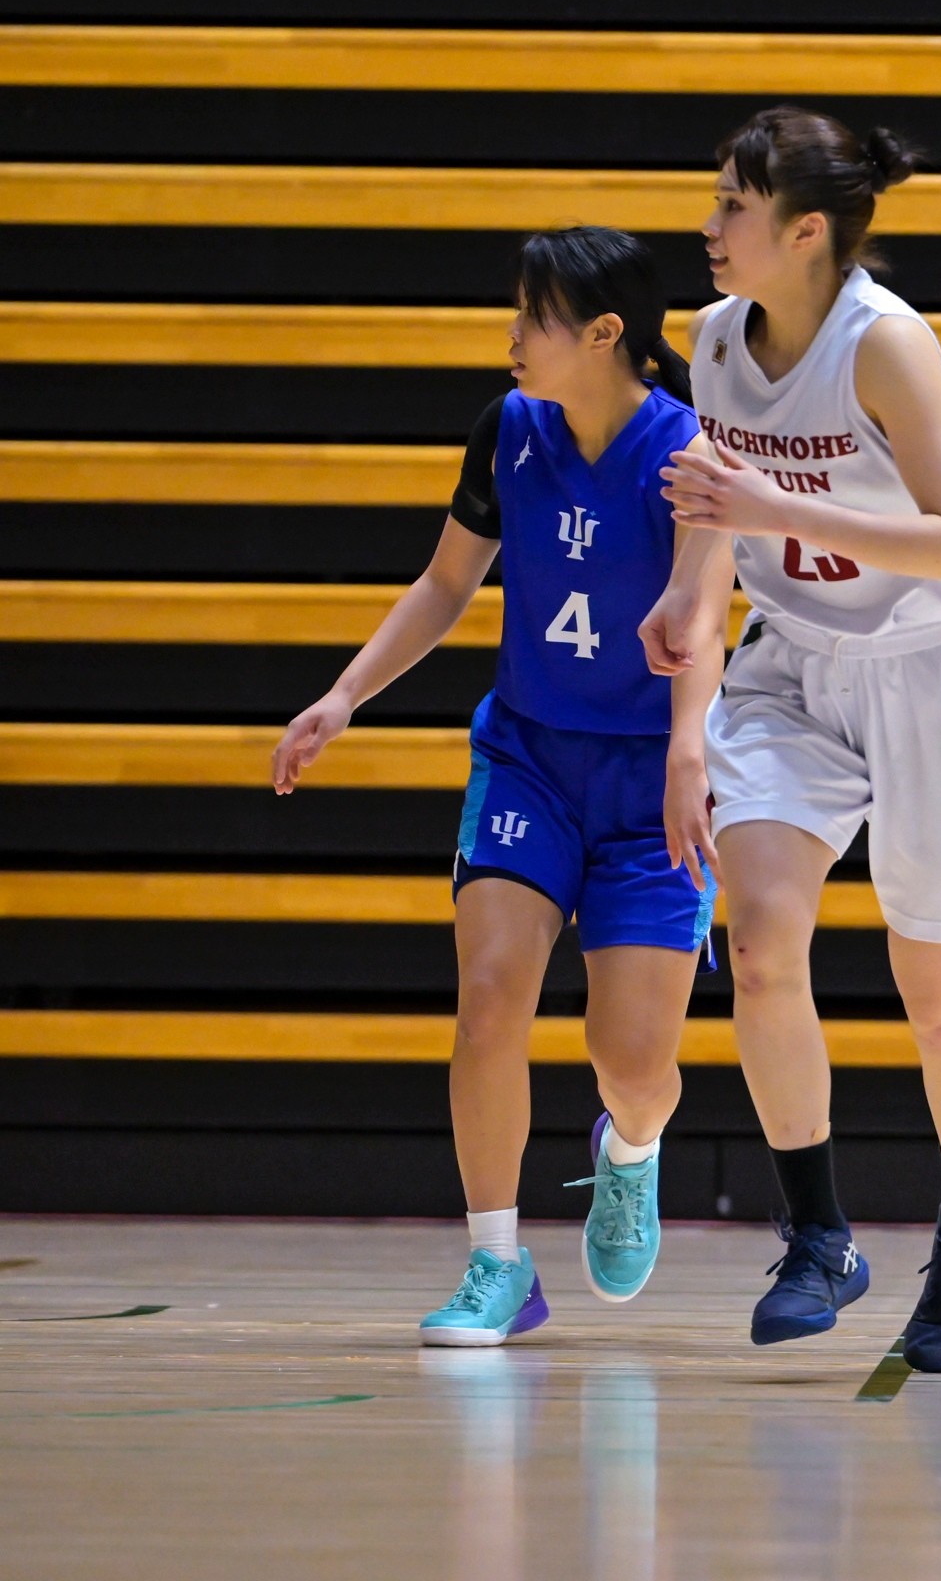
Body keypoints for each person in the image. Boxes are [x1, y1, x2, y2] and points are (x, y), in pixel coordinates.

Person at [638, 107, 941, 1374]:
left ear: (806, 230)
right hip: (794, 668)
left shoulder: (888, 344)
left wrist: (777, 503)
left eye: (733, 204)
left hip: (930, 670)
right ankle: (819, 1235)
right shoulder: (715, 338)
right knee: (761, 946)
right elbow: (716, 508)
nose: (710, 225)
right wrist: (689, 611)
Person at [272, 227, 716, 1344]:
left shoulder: (688, 453)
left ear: (605, 334)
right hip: (528, 760)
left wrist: (688, 752)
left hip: (649, 780)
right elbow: (444, 584)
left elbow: (704, 623)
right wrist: (344, 695)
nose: (512, 334)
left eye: (533, 315)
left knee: (633, 1063)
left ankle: (631, 1151)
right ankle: (497, 1263)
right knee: (489, 996)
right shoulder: (507, 431)